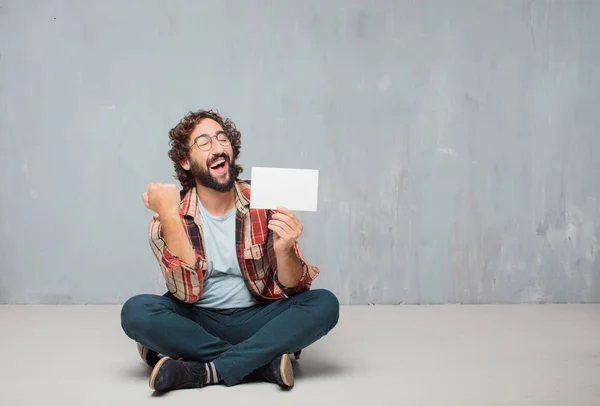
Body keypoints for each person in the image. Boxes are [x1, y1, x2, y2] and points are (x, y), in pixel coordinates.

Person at [120, 109, 339, 392]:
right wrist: (171, 216)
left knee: (324, 304)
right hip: (199, 318)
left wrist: (285, 250)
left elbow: (293, 285)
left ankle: (204, 370)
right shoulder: (168, 217)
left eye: (222, 138)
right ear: (185, 161)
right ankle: (261, 363)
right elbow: (187, 293)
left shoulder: (265, 199)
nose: (217, 146)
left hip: (259, 316)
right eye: (204, 141)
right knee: (137, 312)